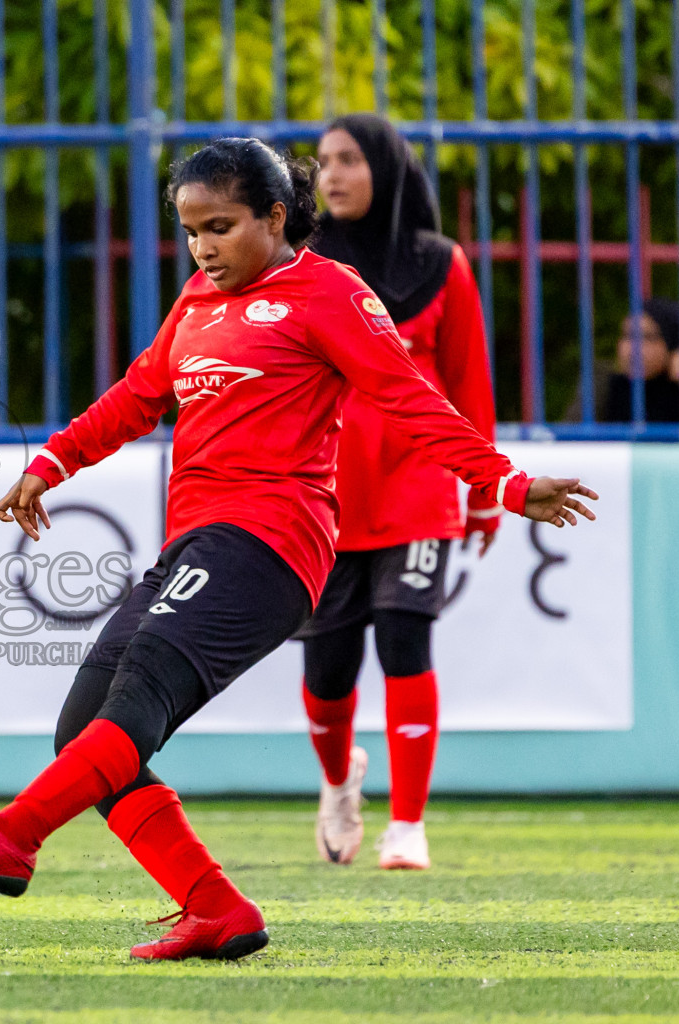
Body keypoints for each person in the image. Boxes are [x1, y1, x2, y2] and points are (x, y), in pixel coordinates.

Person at [0, 138, 596, 962]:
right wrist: (53, 462)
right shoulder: (200, 297)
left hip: (271, 538)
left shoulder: (329, 293)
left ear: (274, 217)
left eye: (221, 227)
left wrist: (506, 486)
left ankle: (14, 833)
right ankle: (215, 907)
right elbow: (138, 394)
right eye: (191, 231)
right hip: (197, 538)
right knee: (82, 730)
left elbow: (412, 400)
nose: (202, 248)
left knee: (137, 704)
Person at [300, 114, 498, 871]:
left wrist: (483, 490)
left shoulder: (442, 265)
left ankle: (408, 826)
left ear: (387, 167)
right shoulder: (301, 263)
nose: (333, 175)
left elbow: (469, 386)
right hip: (322, 496)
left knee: (405, 642)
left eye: (349, 160)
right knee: (326, 675)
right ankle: (338, 780)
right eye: (322, 163)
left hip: (418, 491)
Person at [563, 297, 679, 424]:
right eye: (627, 336)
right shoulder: (603, 384)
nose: (632, 348)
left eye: (648, 337)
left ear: (673, 346)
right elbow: (572, 436)